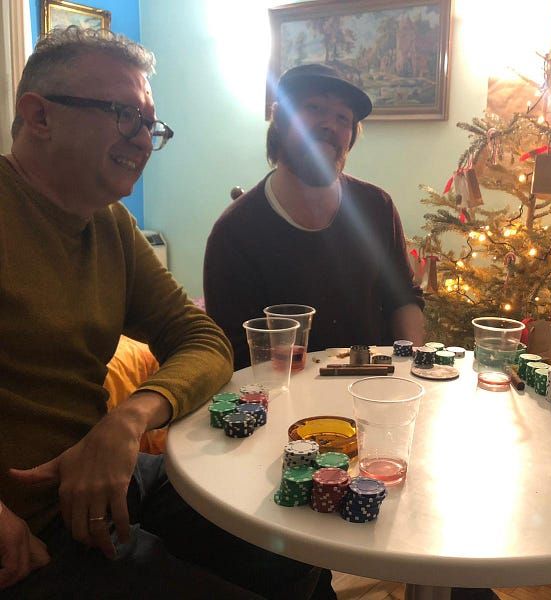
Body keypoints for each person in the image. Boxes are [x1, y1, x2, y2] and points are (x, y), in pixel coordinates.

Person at [0, 27, 327, 599]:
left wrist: (127, 420)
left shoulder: (111, 224)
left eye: (150, 124)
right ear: (40, 115)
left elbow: (203, 339)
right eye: (124, 114)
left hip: (111, 482)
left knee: (296, 550)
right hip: (30, 532)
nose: (142, 139)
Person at [203, 63, 425, 371]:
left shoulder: (377, 207)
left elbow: (403, 300)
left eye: (342, 117)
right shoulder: (234, 233)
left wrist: (411, 370)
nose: (329, 125)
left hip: (374, 386)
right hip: (283, 394)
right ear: (280, 119)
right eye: (314, 108)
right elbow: (236, 352)